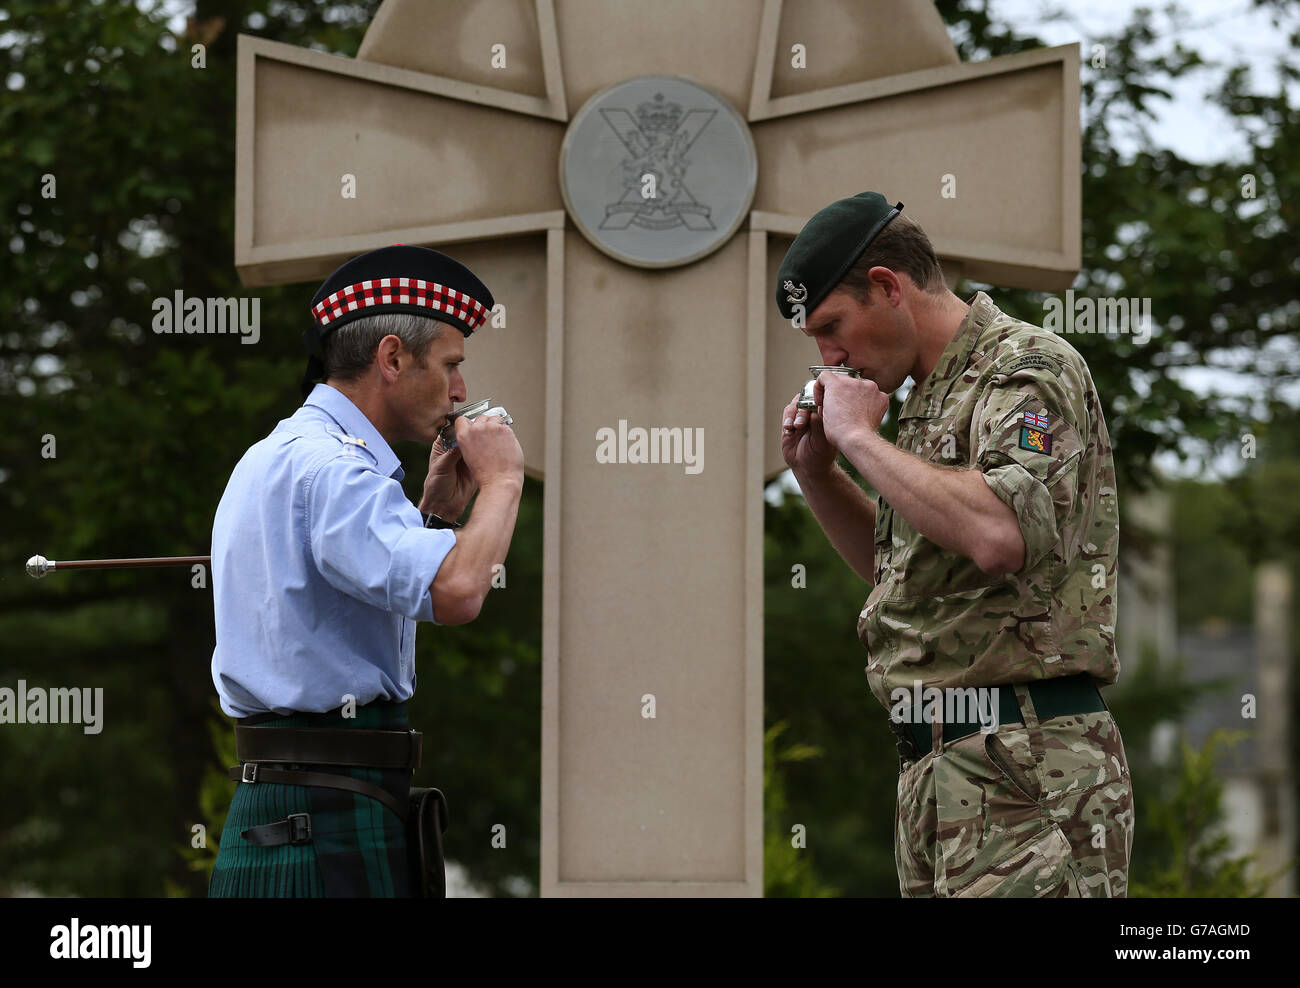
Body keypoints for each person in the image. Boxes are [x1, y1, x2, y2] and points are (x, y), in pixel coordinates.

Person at [777, 192, 1133, 897]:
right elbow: (902, 574)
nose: (828, 356)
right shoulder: (926, 399)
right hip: (942, 767)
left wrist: (855, 438)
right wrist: (817, 471)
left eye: (832, 326)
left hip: (1025, 762)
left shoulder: (1024, 366)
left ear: (887, 287)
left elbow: (999, 534)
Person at [207, 245, 524, 897]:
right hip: (323, 827)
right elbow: (460, 591)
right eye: (451, 365)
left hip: (299, 815)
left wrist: (431, 518)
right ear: (391, 359)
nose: (461, 391)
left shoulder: (282, 456)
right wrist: (503, 481)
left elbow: (343, 608)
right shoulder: (336, 472)